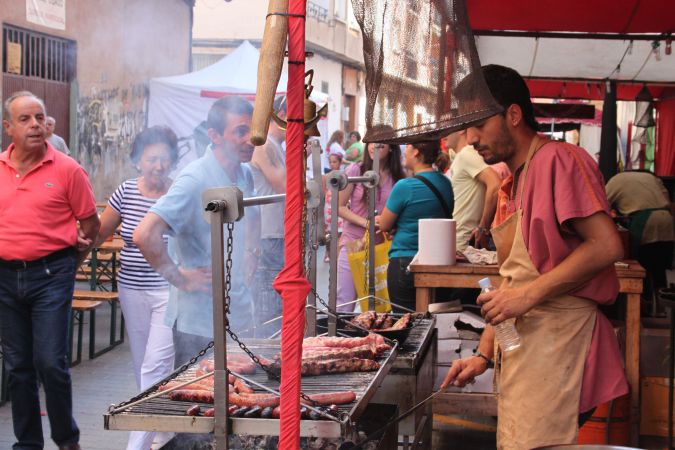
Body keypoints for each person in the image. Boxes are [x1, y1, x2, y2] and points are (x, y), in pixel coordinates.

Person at [441, 65, 628, 449]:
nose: (470, 138)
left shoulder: (560, 160)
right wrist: (483, 355)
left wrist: (525, 297)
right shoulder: (512, 181)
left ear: (513, 114)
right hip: (528, 349)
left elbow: (607, 245)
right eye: (466, 126)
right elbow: (512, 281)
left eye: (479, 123)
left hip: (562, 348)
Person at [0, 91, 99, 450]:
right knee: (17, 366)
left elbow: (90, 225)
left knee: (50, 362)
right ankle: (28, 443)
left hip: (51, 274)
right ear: (8, 127)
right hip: (5, 277)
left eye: (40, 118)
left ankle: (66, 439)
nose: (36, 125)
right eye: (25, 119)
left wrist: (71, 263)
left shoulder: (68, 170)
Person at [134, 96, 259, 366]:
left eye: (253, 129)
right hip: (199, 323)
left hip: (237, 311)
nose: (251, 139)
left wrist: (251, 251)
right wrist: (180, 278)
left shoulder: (245, 173)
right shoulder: (194, 179)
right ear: (214, 135)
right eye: (241, 131)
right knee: (198, 401)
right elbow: (145, 234)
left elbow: (250, 219)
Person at [93, 126, 178, 450]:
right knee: (144, 363)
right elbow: (99, 234)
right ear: (138, 160)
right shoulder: (125, 192)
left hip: (168, 291)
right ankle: (163, 429)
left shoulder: (178, 193)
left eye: (165, 159)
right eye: (152, 159)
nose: (159, 165)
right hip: (132, 289)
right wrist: (70, 260)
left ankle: (138, 444)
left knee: (155, 366)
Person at [376, 140, 454, 312]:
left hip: (406, 263)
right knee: (434, 322)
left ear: (417, 152)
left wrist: (391, 224)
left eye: (408, 147)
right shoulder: (445, 183)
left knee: (407, 326)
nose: (404, 151)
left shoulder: (405, 186)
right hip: (438, 264)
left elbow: (384, 224)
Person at [337, 139, 406, 312]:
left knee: (380, 304)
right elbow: (338, 206)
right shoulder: (355, 170)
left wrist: (391, 225)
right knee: (344, 301)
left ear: (391, 148)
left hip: (384, 246)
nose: (374, 146)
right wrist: (366, 222)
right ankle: (340, 338)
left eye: (381, 143)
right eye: (370, 142)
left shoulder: (399, 176)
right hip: (354, 244)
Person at [606, 170, 674, 308]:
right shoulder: (651, 177)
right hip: (667, 219)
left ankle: (645, 304)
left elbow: (601, 204)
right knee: (659, 265)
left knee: (642, 265)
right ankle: (661, 307)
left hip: (645, 220)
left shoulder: (616, 180)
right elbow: (667, 200)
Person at [250, 96, 286, 337]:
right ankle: (268, 349)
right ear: (280, 113)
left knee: (278, 298)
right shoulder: (264, 146)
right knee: (269, 302)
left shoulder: (276, 147)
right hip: (269, 234)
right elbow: (282, 185)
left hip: (278, 233)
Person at [446, 130, 501, 251]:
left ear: (460, 130)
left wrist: (483, 227)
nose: (443, 133)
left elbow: (495, 184)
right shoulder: (461, 156)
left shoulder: (467, 154)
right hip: (462, 242)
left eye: (448, 128)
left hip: (466, 244)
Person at [323, 153, 345, 262]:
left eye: (334, 162)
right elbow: (323, 191)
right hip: (328, 207)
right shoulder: (326, 176)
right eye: (330, 162)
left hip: (339, 204)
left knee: (340, 232)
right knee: (329, 232)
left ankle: (338, 254)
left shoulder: (344, 175)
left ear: (340, 162)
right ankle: (328, 252)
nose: (332, 164)